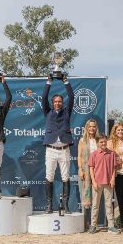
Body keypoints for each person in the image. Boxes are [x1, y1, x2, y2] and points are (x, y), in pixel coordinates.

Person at [41, 75, 74, 213]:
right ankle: (49, 205)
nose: (58, 103)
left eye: (60, 101)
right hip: (51, 149)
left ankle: (65, 205)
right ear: (52, 103)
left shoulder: (67, 112)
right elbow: (43, 97)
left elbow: (71, 97)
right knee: (49, 176)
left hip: (64, 149)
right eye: (55, 101)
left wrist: (65, 81)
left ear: (62, 103)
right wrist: (49, 82)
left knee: (66, 177)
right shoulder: (48, 112)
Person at [87, 135, 120, 234]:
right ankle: (93, 225)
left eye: (104, 142)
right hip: (97, 183)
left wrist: (113, 179)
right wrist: (93, 181)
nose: (103, 144)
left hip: (109, 183)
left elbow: (114, 168)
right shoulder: (94, 154)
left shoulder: (112, 154)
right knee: (95, 205)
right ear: (97, 143)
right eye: (101, 142)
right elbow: (91, 168)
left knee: (109, 204)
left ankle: (111, 226)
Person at [77, 118, 101, 228]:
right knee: (85, 195)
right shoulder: (82, 140)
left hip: (97, 171)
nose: (92, 128)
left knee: (95, 196)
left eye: (94, 126)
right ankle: (84, 222)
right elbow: (79, 156)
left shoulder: (99, 140)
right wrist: (80, 169)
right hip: (85, 171)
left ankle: (93, 223)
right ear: (87, 128)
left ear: (96, 128)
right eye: (90, 126)